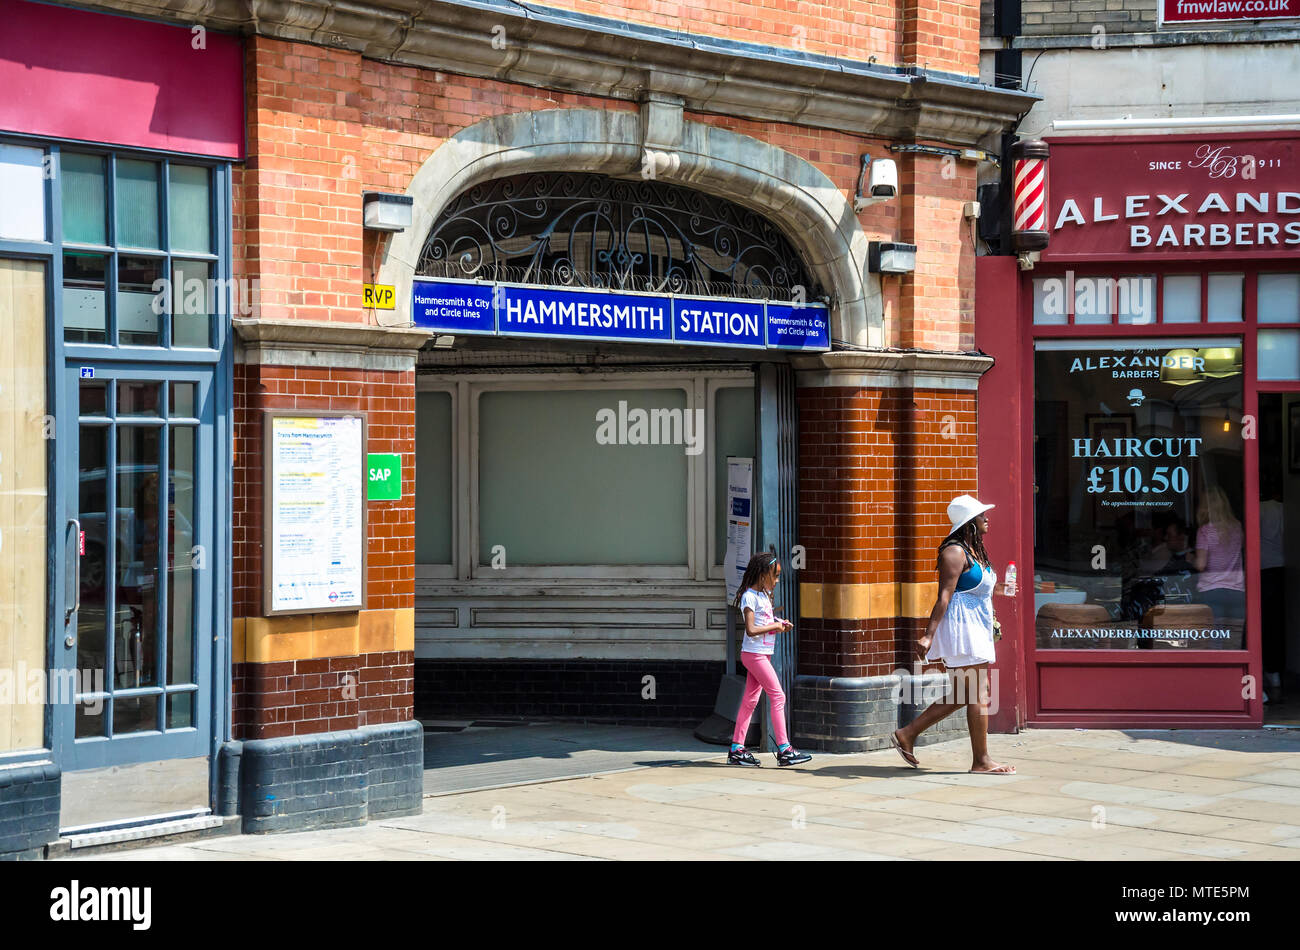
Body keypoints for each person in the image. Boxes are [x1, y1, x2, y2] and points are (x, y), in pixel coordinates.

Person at [891, 494, 1015, 775]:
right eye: (982, 516)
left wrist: (999, 590)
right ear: (969, 523)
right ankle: (981, 761)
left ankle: (907, 734)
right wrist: (927, 635)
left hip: (976, 627)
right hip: (963, 630)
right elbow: (944, 597)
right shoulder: (954, 552)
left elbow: (974, 590)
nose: (987, 519)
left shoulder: (974, 551)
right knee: (979, 693)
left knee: (963, 692)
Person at [727, 552, 811, 767]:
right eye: (774, 576)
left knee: (751, 700)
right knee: (778, 696)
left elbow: (764, 620)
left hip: (761, 654)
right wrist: (775, 626)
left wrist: (778, 622)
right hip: (754, 655)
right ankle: (784, 750)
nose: (776, 581)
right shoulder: (749, 597)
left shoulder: (763, 596)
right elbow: (751, 628)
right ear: (762, 574)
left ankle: (737, 748)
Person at [1192, 485, 1245, 622]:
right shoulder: (1237, 527)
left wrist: (1191, 558)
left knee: (1216, 641)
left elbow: (1201, 565)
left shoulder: (1204, 531)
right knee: (1233, 639)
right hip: (1236, 590)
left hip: (1212, 590)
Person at [1260, 472, 1286, 702]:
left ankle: (1267, 672)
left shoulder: (1257, 509)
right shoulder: (1283, 510)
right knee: (1277, 622)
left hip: (1261, 570)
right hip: (1282, 568)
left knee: (1263, 623)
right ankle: (1275, 673)